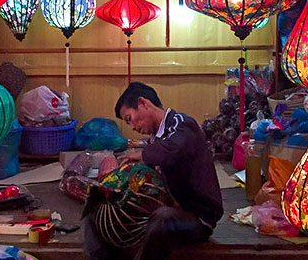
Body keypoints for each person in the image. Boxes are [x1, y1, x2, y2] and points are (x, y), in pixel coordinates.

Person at [84, 82, 223, 260]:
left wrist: (141, 155)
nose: (132, 127)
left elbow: (172, 150)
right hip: (167, 211)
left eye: (129, 118)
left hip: (197, 218)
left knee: (163, 217)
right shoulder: (153, 141)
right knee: (95, 210)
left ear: (143, 103)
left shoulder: (183, 125)